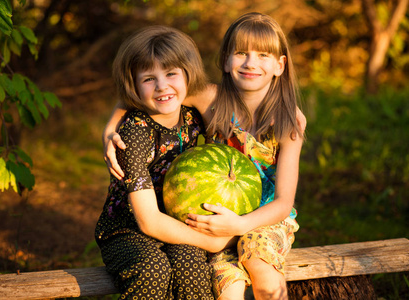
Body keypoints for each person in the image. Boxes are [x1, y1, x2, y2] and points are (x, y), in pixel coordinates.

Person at [103, 13, 306, 300]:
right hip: (214, 217)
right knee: (228, 288)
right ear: (225, 60)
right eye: (240, 53)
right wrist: (110, 130)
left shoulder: (288, 122)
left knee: (261, 270)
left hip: (263, 220)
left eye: (263, 54)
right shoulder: (209, 98)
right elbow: (142, 92)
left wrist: (241, 225)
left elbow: (284, 202)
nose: (251, 63)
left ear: (279, 65)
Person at [94, 25, 234, 300]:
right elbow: (147, 223)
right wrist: (212, 240)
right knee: (152, 270)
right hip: (128, 230)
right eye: (149, 79)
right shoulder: (133, 134)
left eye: (171, 74)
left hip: (177, 221)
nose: (162, 86)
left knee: (192, 265)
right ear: (133, 85)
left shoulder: (192, 114)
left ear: (187, 75)